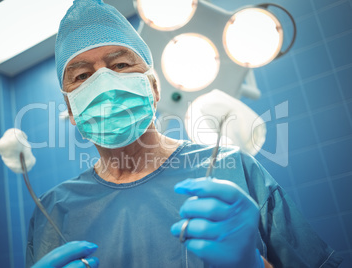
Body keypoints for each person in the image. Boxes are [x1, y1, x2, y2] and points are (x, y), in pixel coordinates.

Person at [26, 0, 343, 267]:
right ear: (70, 109)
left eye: (121, 65)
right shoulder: (53, 211)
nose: (104, 82)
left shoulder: (230, 169)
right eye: (82, 75)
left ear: (153, 87)